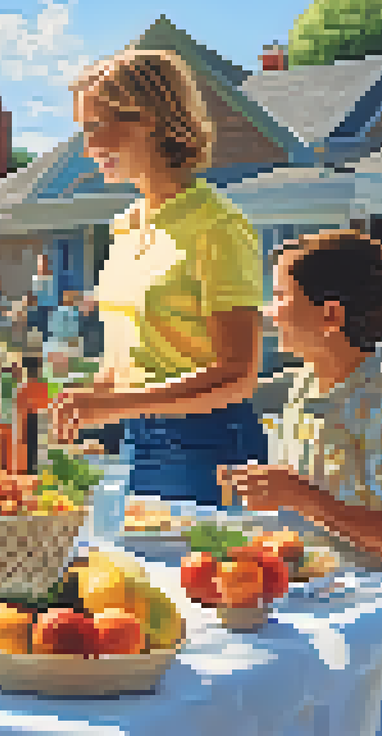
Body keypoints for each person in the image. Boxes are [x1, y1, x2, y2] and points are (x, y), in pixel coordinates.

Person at [50, 49, 266, 505]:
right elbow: (131, 362)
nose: (87, 148)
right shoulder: (125, 227)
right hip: (132, 440)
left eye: (94, 128)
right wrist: (84, 401)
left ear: (146, 118)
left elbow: (238, 375)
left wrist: (113, 404)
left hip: (209, 448)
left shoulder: (217, 228)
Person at [222, 230, 382, 569]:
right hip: (310, 588)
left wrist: (302, 498)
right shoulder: (305, 384)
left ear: (330, 316)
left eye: (279, 296)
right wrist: (269, 488)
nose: (269, 313)